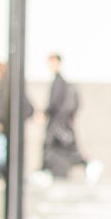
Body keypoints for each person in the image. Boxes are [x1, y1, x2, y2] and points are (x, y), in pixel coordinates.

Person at [40, 54, 97, 182]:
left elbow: (54, 103)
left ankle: (87, 165)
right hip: (59, 122)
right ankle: (45, 171)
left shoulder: (59, 82)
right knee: (54, 147)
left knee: (61, 147)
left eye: (53, 62)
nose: (50, 66)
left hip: (58, 123)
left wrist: (46, 113)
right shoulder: (58, 81)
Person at [0, 60, 31, 187]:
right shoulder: (6, 85)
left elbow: (2, 106)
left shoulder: (6, 86)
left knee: (3, 153)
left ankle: (4, 176)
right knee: (3, 152)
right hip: (5, 126)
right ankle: (4, 176)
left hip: (4, 126)